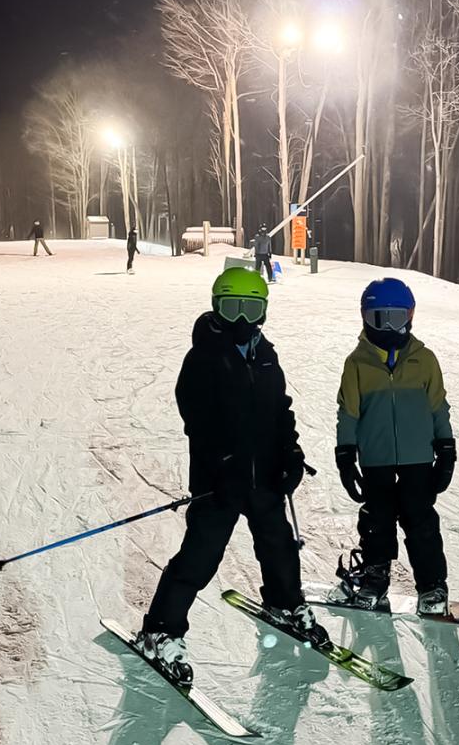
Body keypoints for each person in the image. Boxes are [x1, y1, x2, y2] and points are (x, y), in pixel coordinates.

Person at [135, 267, 329, 683]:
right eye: (232, 309)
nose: (242, 321)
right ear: (216, 308)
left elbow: (280, 409)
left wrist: (290, 451)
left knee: (279, 544)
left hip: (264, 477)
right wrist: (220, 462)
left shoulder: (265, 355)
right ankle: (161, 629)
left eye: (251, 309)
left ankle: (285, 602)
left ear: (264, 311)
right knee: (201, 555)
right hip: (219, 481)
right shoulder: (203, 357)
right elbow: (196, 418)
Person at [330, 278, 457, 616]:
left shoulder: (424, 360)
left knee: (421, 522)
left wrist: (446, 449)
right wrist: (346, 456)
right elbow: (349, 413)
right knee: (377, 521)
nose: (387, 328)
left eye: (395, 319)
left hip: (418, 459)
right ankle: (374, 577)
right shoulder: (357, 363)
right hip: (377, 460)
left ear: (410, 316)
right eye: (378, 319)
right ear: (364, 317)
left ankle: (432, 586)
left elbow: (438, 407)